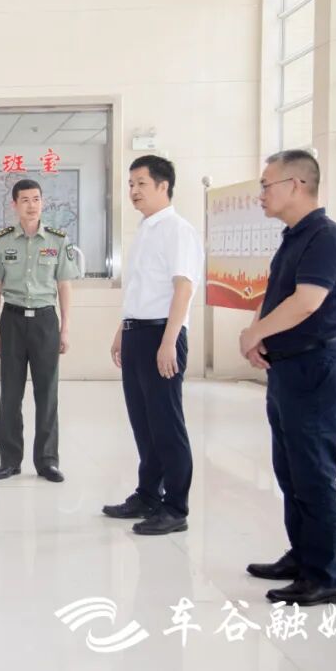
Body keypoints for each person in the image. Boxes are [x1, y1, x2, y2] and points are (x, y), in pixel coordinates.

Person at [239, 150, 336, 607]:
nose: (261, 193)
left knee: (314, 474)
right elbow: (275, 294)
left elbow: (307, 302)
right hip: (288, 368)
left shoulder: (326, 238)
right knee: (290, 470)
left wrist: (255, 334)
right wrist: (257, 335)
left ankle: (325, 577)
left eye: (267, 184)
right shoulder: (293, 237)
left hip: (316, 368)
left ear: (296, 185)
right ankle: (303, 556)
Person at [103, 155, 203, 536]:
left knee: (166, 423)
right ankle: (148, 495)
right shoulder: (146, 230)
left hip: (162, 335)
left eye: (141, 183)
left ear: (164, 186)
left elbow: (184, 288)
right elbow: (140, 289)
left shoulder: (177, 230)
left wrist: (169, 340)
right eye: (131, 184)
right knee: (143, 422)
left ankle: (175, 506)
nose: (133, 191)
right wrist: (122, 329)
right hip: (137, 334)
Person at [0, 179, 81, 483]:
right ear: (14, 204)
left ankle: (47, 461)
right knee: (10, 394)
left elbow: (64, 286)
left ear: (43, 202)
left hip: (45, 321)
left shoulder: (58, 240)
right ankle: (9, 460)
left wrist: (65, 329)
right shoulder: (1, 241)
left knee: (47, 393)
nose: (31, 205)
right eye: (25, 200)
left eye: (36, 199)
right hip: (12, 320)